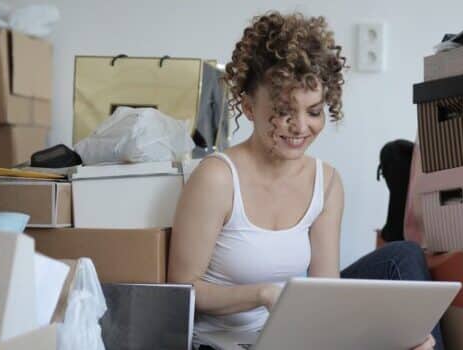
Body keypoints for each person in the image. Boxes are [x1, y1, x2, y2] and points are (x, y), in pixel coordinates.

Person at [168, 11, 443, 350]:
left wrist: (391, 334)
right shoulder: (217, 178)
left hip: (295, 339)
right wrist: (262, 294)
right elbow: (182, 287)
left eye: (313, 112)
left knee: (404, 258)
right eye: (284, 111)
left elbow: (326, 292)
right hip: (226, 344)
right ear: (249, 107)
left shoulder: (325, 182)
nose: (300, 127)